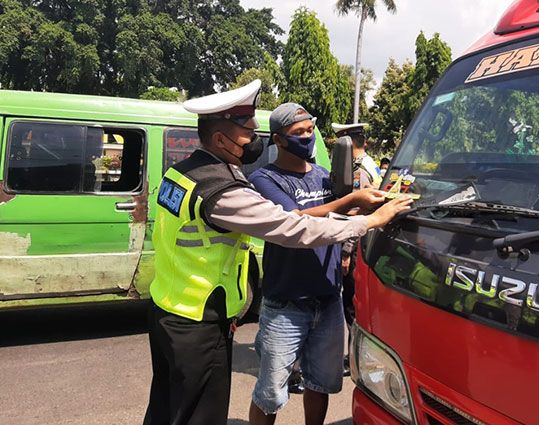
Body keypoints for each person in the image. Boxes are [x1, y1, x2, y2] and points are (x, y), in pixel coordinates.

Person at [143, 80, 412, 425]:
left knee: (168, 408)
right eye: (247, 133)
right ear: (220, 139)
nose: (254, 141)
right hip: (200, 320)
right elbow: (293, 228)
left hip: (168, 307)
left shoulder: (181, 174)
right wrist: (371, 221)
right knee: (201, 414)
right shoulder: (223, 190)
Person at [246, 104, 383, 424]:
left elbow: (340, 217)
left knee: (320, 384)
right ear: (279, 140)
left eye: (310, 130)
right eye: (299, 133)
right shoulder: (265, 179)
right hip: (285, 304)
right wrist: (349, 201)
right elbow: (292, 218)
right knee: (270, 393)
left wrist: (371, 206)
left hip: (328, 298)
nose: (307, 137)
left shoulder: (324, 177)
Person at [330, 122, 382, 376]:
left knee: (351, 305)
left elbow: (358, 214)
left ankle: (355, 360)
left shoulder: (359, 171)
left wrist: (346, 252)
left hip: (357, 244)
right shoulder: (370, 164)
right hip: (366, 243)